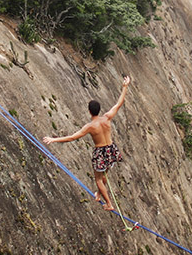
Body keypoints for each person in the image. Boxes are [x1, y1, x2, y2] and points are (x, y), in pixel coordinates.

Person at [44, 75, 130, 211]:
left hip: (100, 152)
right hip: (111, 149)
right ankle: (99, 194)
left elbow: (72, 137)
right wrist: (125, 87)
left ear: (89, 111)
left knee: (98, 179)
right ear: (99, 110)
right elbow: (119, 103)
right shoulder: (107, 118)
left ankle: (109, 204)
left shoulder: (90, 127)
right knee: (104, 175)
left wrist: (54, 139)